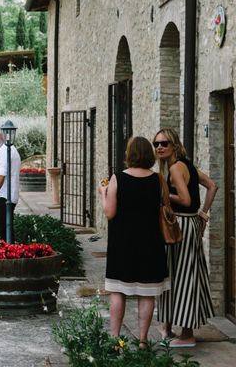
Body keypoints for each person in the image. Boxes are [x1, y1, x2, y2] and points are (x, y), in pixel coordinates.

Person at [98, 136, 169, 347]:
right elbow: (165, 205)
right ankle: (143, 340)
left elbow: (110, 213)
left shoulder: (117, 178)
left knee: (118, 291)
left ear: (130, 154)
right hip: (151, 242)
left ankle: (114, 338)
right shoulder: (158, 179)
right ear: (149, 155)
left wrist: (103, 193)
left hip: (123, 243)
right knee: (146, 293)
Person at [154, 128, 218, 347]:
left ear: (174, 145)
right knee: (180, 274)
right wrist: (203, 215)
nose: (159, 147)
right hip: (189, 225)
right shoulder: (187, 164)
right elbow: (212, 186)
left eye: (164, 143)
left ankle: (187, 335)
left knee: (181, 277)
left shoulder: (174, 168)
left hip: (179, 226)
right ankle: (169, 328)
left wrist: (160, 192)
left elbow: (184, 198)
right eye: (156, 144)